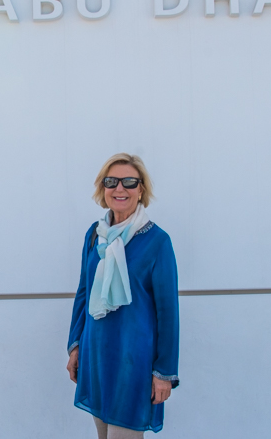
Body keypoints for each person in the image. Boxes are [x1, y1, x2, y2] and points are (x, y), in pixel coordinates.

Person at [66, 153, 179, 438]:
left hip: (134, 361)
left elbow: (168, 312)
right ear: (102, 189)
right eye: (111, 181)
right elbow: (84, 291)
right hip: (97, 355)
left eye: (129, 182)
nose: (120, 188)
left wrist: (164, 372)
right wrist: (75, 344)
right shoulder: (95, 235)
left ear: (141, 190)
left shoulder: (157, 242)